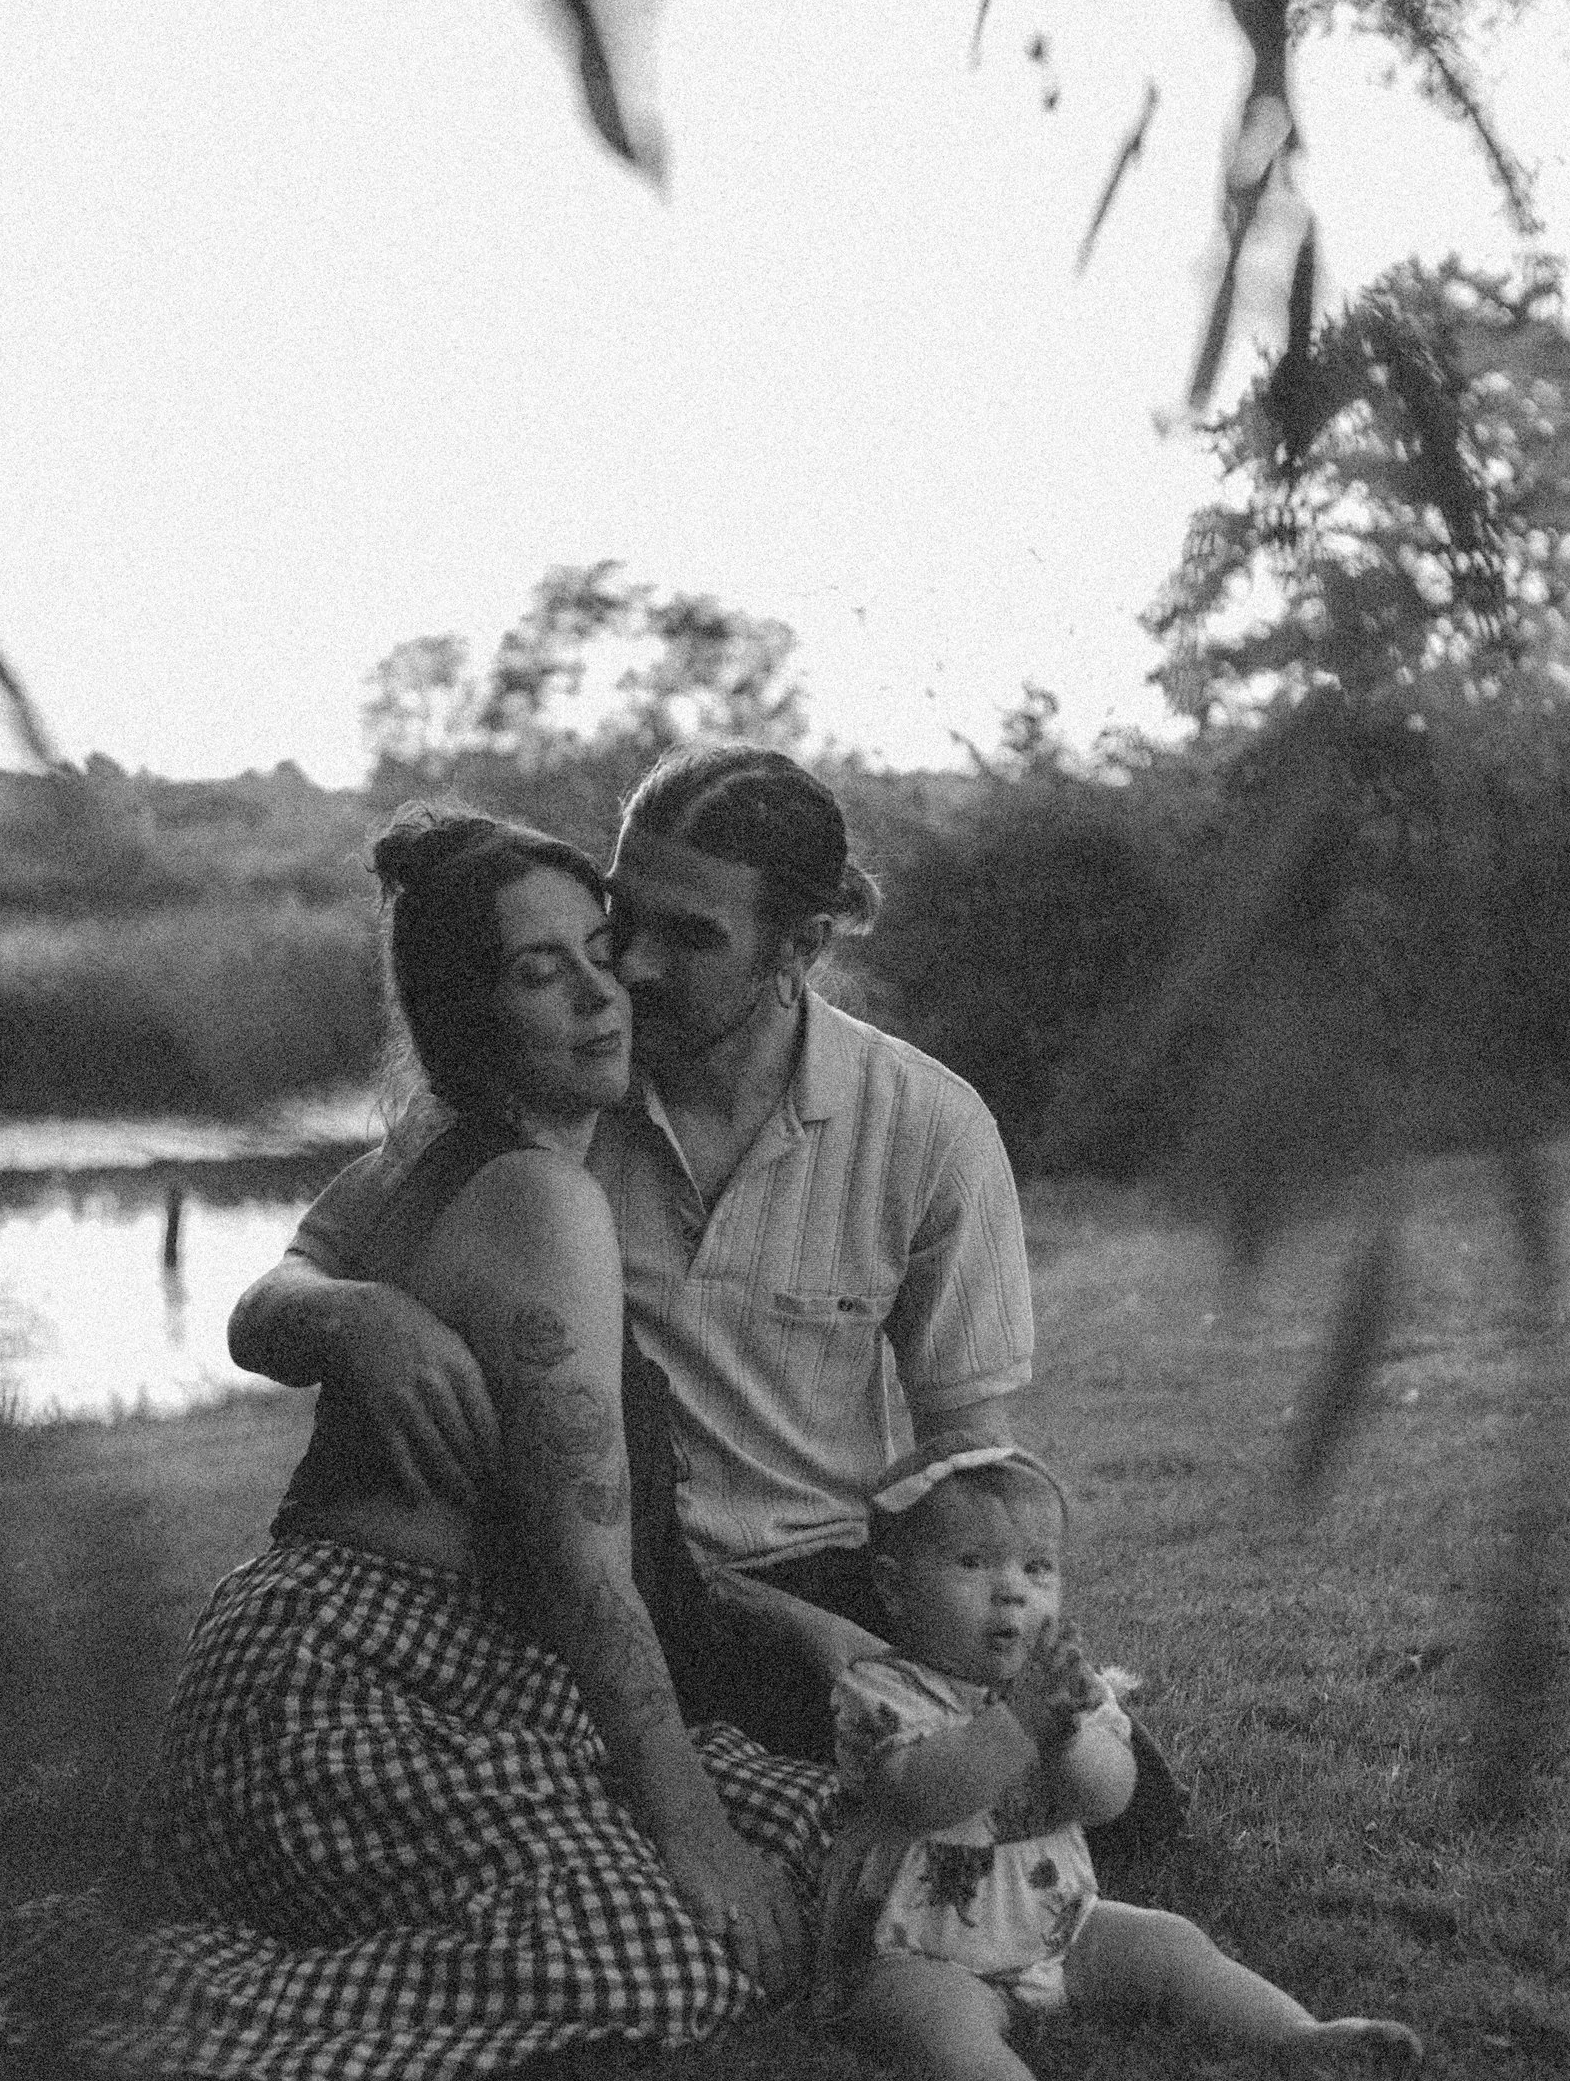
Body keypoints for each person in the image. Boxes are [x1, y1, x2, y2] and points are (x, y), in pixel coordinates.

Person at [0, 809, 836, 2081]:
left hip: (442, 1678)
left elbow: (274, 1283)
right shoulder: (534, 1195)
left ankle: (160, 1985)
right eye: (537, 972)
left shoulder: (428, 1145)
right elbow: (586, 1576)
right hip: (343, 1679)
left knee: (817, 1826)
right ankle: (61, 2050)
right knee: (665, 1951)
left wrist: (348, 1309)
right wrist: (693, 1841)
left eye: (598, 951)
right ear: (470, 1014)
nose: (597, 992)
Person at [232, 744, 1185, 1850]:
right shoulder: (556, 1088)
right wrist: (354, 1316)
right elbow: (275, 1295)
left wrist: (966, 1648)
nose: (628, 966)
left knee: (1122, 1802)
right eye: (621, 917)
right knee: (861, 1827)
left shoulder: (928, 1126)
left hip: (830, 1578)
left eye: (690, 937)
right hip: (612, 1583)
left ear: (802, 949)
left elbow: (966, 1460)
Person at [810, 1436, 1421, 2081]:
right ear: (894, 1588)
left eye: (1037, 1568)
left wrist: (1066, 1731)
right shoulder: (882, 1691)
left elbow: (1107, 1798)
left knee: (1170, 1942)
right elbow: (923, 1796)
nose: (1011, 1588)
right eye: (973, 1563)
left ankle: (1300, 2036)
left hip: (1059, 1927)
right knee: (925, 2016)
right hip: (921, 1948)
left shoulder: (1061, 1690)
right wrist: (1022, 1722)